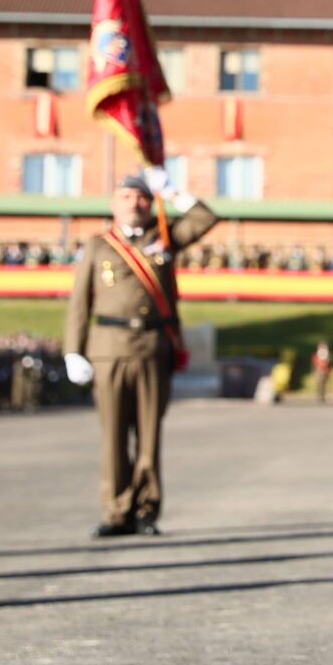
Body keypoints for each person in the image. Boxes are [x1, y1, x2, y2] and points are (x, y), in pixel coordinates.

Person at [62, 167, 218, 537]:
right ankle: (117, 510)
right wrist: (73, 350)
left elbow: (205, 218)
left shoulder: (164, 237)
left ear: (152, 203)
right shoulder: (99, 246)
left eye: (143, 197)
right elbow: (79, 302)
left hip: (151, 348)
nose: (135, 204)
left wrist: (173, 190)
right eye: (127, 197)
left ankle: (147, 509)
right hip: (108, 349)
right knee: (114, 436)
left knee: (149, 435)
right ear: (114, 205)